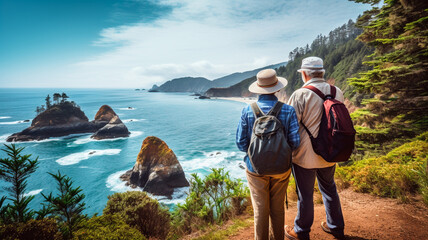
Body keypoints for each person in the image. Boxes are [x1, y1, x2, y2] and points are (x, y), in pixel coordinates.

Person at [285, 57, 345, 240]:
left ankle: (301, 231)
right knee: (329, 188)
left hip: (305, 156)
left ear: (304, 74)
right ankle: (336, 227)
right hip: (330, 152)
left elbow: (290, 125)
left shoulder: (300, 94)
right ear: (322, 73)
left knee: (305, 195)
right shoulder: (337, 91)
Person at [236, 69, 300, 240]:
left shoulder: (247, 111)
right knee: (277, 208)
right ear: (277, 88)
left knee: (260, 209)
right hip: (281, 168)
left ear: (257, 89)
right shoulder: (288, 110)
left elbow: (241, 144)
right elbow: (295, 142)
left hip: (255, 169)